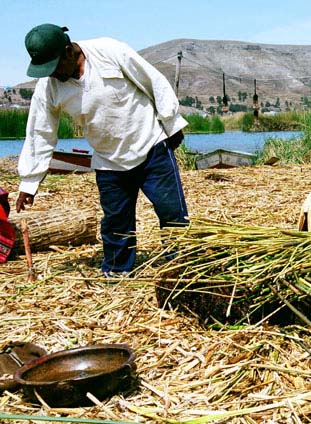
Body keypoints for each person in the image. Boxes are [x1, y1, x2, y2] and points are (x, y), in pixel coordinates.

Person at [16, 24, 189, 277]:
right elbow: (39, 132)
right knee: (116, 224)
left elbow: (152, 80)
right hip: (109, 161)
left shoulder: (109, 50)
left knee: (172, 213)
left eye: (54, 67)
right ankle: (117, 273)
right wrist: (29, 182)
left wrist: (172, 124)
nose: (51, 74)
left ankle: (182, 268)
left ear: (68, 51)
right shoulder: (49, 86)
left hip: (151, 145)